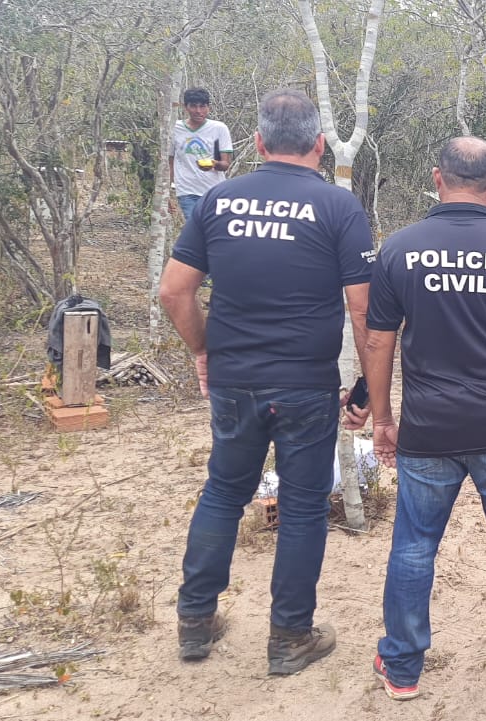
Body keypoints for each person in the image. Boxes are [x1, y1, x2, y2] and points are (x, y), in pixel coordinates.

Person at [158, 89, 374, 676]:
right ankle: (289, 637)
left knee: (224, 492)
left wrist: (204, 350)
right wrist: (370, 392)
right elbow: (364, 311)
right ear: (320, 145)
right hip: (305, 383)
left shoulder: (218, 199)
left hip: (235, 380)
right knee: (303, 508)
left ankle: (195, 621)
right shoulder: (338, 207)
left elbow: (174, 291)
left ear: (256, 142)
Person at [350, 137, 486, 700]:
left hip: (429, 426)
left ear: (437, 178)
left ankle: (402, 666)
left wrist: (382, 417)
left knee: (414, 546)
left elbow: (378, 340)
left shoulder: (400, 249)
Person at [171, 88, 234, 222]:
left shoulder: (219, 128)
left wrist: (215, 164)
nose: (198, 111)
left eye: (202, 106)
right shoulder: (175, 128)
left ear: (208, 107)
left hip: (215, 191)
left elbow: (225, 164)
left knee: (214, 228)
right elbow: (170, 160)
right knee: (195, 226)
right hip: (186, 191)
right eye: (193, 106)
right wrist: (170, 190)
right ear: (186, 107)